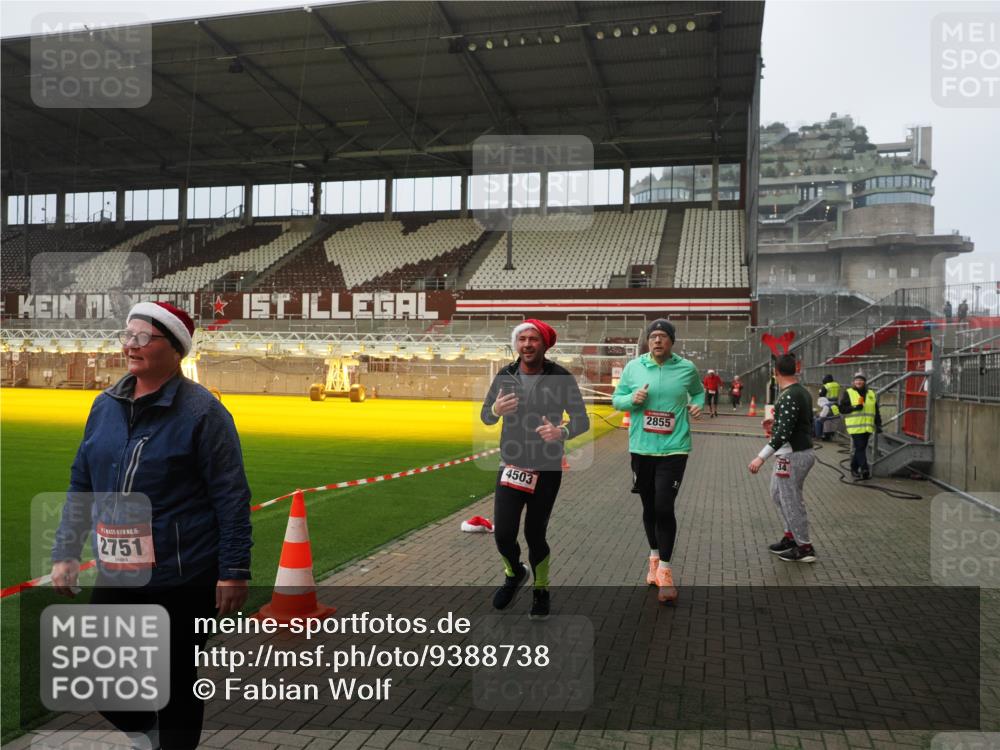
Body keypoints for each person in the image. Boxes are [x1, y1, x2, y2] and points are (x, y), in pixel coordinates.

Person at [51, 301, 253, 750]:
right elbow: (82, 480)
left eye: (144, 337)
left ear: (175, 349)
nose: (130, 345)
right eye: (127, 334)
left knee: (176, 678)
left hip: (184, 571)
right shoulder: (104, 406)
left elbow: (231, 495)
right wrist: (66, 551)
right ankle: (151, 735)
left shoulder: (204, 413)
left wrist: (234, 569)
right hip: (118, 568)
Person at [480, 319, 589, 619]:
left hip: (546, 467)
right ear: (517, 344)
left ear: (544, 344)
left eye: (533, 339)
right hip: (511, 464)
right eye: (522, 339)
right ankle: (514, 573)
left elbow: (582, 420)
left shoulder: (561, 377)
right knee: (503, 533)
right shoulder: (505, 375)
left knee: (534, 533)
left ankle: (541, 589)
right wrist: (494, 410)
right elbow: (486, 418)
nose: (527, 344)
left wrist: (561, 433)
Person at [612, 319, 704, 603]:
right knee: (649, 506)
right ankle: (653, 559)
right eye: (653, 337)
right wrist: (632, 400)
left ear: (671, 341)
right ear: (647, 341)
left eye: (663, 336)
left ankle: (665, 570)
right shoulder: (634, 367)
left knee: (664, 506)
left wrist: (697, 404)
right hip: (642, 449)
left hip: (674, 448)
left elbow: (699, 391)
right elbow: (617, 399)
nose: (657, 341)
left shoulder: (687, 369)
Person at [748, 354, 818, 563]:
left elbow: (784, 434)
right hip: (793, 453)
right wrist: (775, 424)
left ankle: (804, 546)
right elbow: (795, 424)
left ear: (775, 372)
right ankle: (791, 536)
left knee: (790, 500)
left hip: (792, 454)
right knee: (778, 494)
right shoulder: (800, 393)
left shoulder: (789, 395)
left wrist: (760, 457)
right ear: (796, 369)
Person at [838, 371, 882, 480]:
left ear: (865, 382)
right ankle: (864, 469)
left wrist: (878, 424)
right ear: (853, 382)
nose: (859, 381)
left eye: (861, 380)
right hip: (855, 426)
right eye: (857, 380)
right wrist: (854, 408)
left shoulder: (871, 394)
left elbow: (876, 410)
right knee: (860, 447)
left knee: (860, 448)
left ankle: (853, 467)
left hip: (867, 427)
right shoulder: (848, 392)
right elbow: (842, 409)